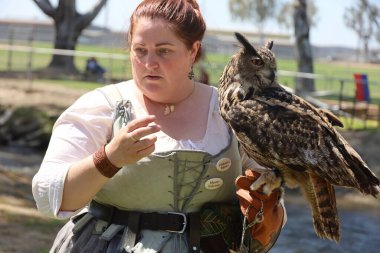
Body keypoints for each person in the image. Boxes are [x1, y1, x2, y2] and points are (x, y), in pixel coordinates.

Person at [32, 0, 286, 252]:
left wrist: (267, 208)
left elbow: (268, 191)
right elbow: (49, 196)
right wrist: (109, 159)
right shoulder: (100, 106)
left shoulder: (231, 112)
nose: (149, 62)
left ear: (193, 51)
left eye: (164, 51)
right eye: (140, 50)